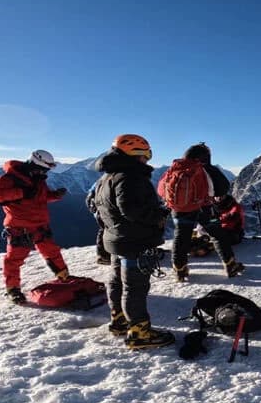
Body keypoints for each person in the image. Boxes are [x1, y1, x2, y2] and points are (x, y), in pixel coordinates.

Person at [91, 134, 176, 349]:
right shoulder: (130, 177)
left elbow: (94, 206)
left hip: (115, 239)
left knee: (117, 281)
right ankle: (139, 332)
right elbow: (131, 209)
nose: (147, 160)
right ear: (137, 154)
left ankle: (119, 320)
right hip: (134, 241)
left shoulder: (105, 178)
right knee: (135, 287)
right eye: (145, 155)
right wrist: (158, 215)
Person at [0, 149, 70, 304]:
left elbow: (41, 197)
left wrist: (55, 195)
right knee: (13, 260)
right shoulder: (9, 178)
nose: (46, 172)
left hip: (40, 225)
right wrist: (21, 193)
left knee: (52, 252)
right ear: (36, 164)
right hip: (20, 227)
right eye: (45, 168)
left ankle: (64, 277)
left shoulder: (38, 179)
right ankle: (13, 289)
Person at [170, 142, 242, 281]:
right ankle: (230, 265)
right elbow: (222, 189)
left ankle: (180, 270)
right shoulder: (206, 168)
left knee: (180, 238)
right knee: (218, 235)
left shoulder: (175, 168)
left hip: (179, 209)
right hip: (203, 207)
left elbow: (162, 190)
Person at [85, 183, 111, 265]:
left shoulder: (102, 180)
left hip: (98, 208)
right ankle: (104, 256)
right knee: (107, 229)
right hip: (103, 209)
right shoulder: (113, 180)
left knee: (105, 229)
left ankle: (103, 256)